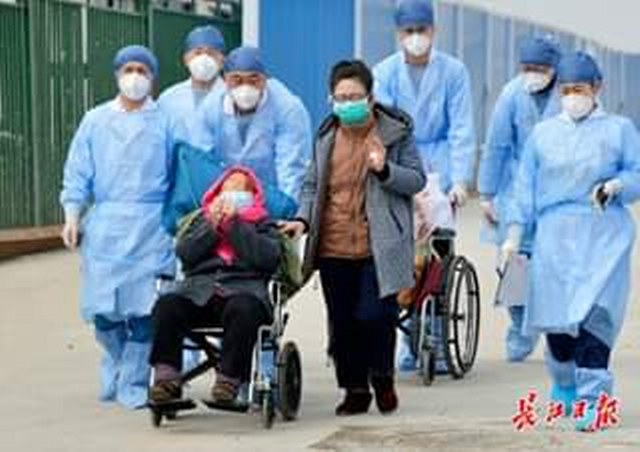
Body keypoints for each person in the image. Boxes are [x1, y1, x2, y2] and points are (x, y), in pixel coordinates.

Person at [503, 51, 640, 432]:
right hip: (554, 238)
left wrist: (617, 185)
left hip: (604, 235)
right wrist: (514, 235)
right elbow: (525, 187)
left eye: (579, 89)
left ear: (597, 88)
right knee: (558, 321)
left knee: (597, 317)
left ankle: (593, 400)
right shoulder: (543, 134)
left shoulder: (619, 130)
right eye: (566, 90)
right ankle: (564, 381)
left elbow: (638, 172)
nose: (572, 97)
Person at [280, 60, 426, 416]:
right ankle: (355, 389)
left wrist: (385, 169)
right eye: (341, 97)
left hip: (379, 244)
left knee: (375, 315)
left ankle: (383, 378)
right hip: (333, 246)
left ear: (370, 98)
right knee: (343, 322)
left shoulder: (395, 134)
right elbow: (312, 185)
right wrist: (302, 219)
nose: (347, 103)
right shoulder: (326, 137)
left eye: (354, 96)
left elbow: (416, 180)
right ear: (331, 99)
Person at [60, 45, 175, 409]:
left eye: (143, 70)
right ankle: (118, 359)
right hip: (106, 227)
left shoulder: (166, 122)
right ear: (117, 74)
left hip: (152, 227)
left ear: (153, 78)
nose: (135, 77)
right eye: (129, 70)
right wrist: (72, 215)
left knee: (145, 310)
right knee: (103, 310)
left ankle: (134, 380)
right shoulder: (95, 121)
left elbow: (178, 174)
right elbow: (77, 171)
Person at [373, 0, 476, 372]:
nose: (416, 37)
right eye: (409, 31)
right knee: (401, 248)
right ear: (398, 33)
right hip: (401, 163)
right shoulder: (384, 72)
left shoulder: (454, 71)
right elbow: (383, 125)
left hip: (442, 167)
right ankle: (407, 337)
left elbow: (462, 127)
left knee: (438, 250)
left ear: (433, 30)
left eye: (422, 30)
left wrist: (460, 180)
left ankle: (434, 332)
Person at [148, 167, 281, 405]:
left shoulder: (263, 224)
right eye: (228, 188)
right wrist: (212, 226)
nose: (233, 194)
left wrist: (234, 226)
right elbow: (186, 253)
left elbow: (267, 258)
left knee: (244, 309)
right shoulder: (200, 220)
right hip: (199, 292)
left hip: (243, 291)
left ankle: (228, 381)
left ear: (253, 196)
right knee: (167, 306)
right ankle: (166, 380)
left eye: (241, 189)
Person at [478, 36, 561, 363]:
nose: (533, 74)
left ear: (553, 68)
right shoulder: (512, 94)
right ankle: (519, 330)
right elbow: (496, 145)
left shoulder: (569, 95)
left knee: (554, 268)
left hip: (559, 192)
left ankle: (558, 333)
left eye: (540, 68)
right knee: (514, 266)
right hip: (516, 191)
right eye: (527, 67)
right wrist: (486, 193)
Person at [188, 46, 311, 211]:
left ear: (266, 79)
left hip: (273, 197)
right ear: (225, 80)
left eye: (254, 79)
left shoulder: (288, 108)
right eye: (236, 79)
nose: (245, 87)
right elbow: (202, 163)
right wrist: (210, 206)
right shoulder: (210, 108)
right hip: (226, 199)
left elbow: (291, 168)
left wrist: (287, 211)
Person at [158, 25, 226, 144]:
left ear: (222, 61)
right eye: (198, 52)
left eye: (211, 53)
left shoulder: (232, 97)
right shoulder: (168, 99)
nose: (204, 58)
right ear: (185, 59)